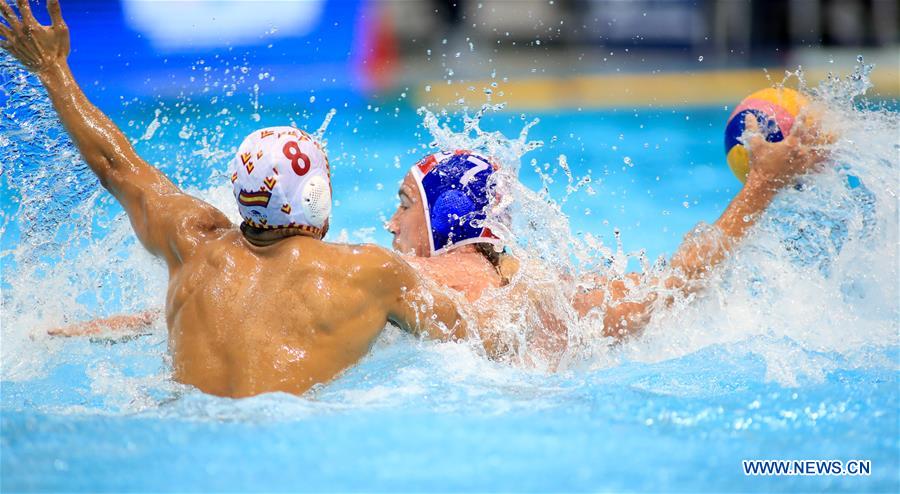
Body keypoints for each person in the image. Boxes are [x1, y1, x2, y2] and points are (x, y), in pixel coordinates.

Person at [2, 0, 467, 398]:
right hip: (284, 437)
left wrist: (52, 69)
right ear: (317, 197)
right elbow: (475, 336)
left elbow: (115, 166)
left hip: (180, 425)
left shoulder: (189, 242)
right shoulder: (368, 273)